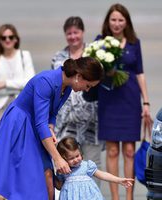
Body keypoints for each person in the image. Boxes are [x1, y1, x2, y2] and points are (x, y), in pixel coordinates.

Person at [0, 57, 104, 200]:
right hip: (20, 124)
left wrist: (51, 127)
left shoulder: (66, 87)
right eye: (88, 85)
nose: (87, 90)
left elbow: (52, 114)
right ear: (78, 77)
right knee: (27, 175)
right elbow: (40, 123)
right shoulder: (46, 82)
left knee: (47, 174)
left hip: (37, 124)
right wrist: (58, 158)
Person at [96, 4, 151, 200]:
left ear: (126, 21)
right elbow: (93, 71)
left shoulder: (134, 43)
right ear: (108, 22)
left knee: (129, 151)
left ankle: (128, 197)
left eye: (120, 20)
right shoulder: (100, 42)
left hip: (130, 100)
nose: (117, 24)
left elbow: (140, 73)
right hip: (109, 100)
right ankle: (114, 197)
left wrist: (146, 103)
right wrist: (105, 72)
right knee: (111, 151)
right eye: (113, 20)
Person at [51, 16, 103, 188]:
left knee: (91, 165)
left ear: (83, 32)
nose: (73, 36)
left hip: (90, 119)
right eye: (69, 33)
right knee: (67, 166)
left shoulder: (94, 53)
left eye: (76, 32)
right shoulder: (58, 57)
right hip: (65, 120)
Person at [0, 24, 35, 153]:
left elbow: (30, 81)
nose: (7, 40)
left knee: (24, 146)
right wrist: (17, 86)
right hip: (1, 107)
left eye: (10, 37)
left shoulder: (24, 55)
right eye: (3, 38)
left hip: (22, 104)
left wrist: (5, 84)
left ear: (16, 39)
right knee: (0, 149)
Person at [55, 137, 134, 200]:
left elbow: (102, 175)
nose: (76, 160)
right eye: (71, 158)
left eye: (77, 156)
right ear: (63, 159)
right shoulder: (64, 171)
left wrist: (118, 180)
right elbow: (59, 187)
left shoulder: (86, 166)